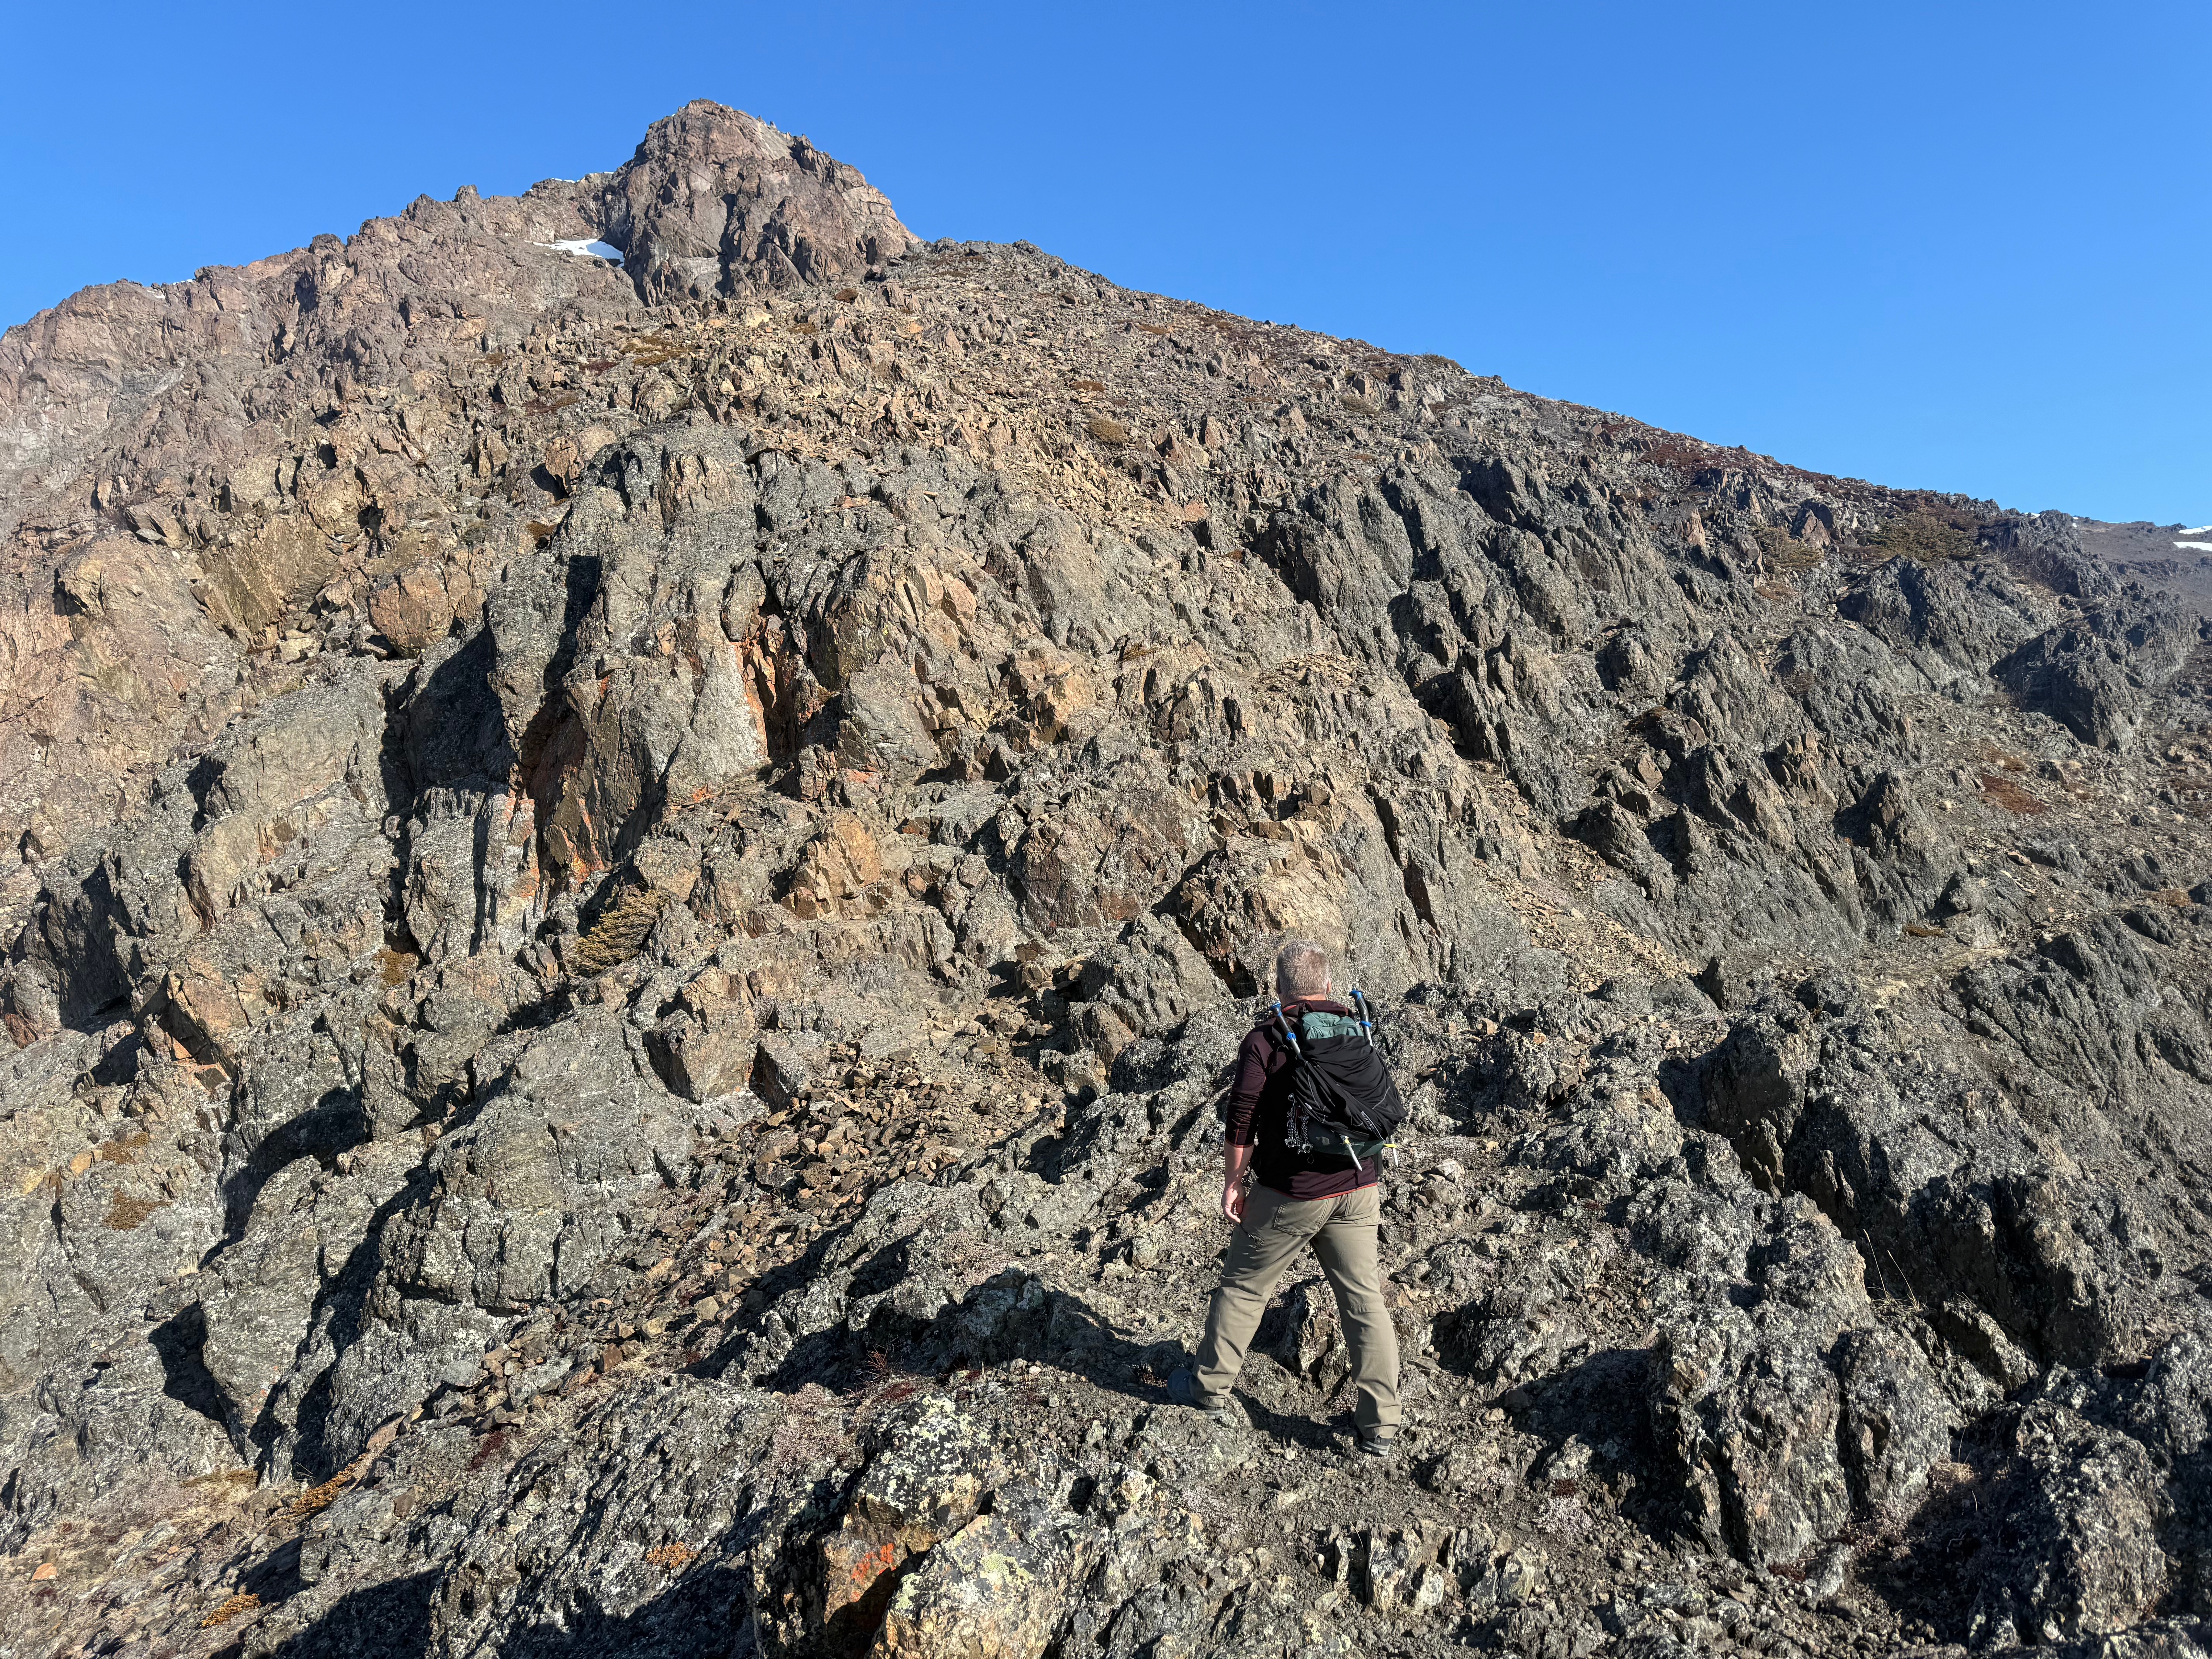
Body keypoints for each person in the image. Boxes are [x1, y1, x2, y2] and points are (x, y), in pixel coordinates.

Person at [1167, 940, 1401, 1457]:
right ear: (1329, 986)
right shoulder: (1355, 1026)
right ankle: (1380, 1426)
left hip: (1290, 1193)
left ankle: (1208, 1389)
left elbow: (1242, 1118)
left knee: (1245, 1289)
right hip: (1360, 1185)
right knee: (1363, 1300)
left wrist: (1234, 1181)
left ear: (1278, 987)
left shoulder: (1268, 1038)